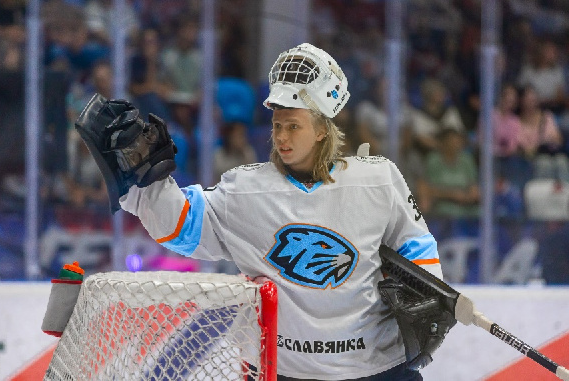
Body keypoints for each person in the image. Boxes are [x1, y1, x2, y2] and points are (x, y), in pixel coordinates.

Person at [75, 43, 453, 380]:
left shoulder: (379, 180)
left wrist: (428, 290)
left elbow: (416, 244)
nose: (282, 136)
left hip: (377, 367)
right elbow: (182, 227)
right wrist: (145, 182)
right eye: (277, 125)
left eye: (294, 125)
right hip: (286, 372)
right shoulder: (245, 190)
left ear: (322, 129)